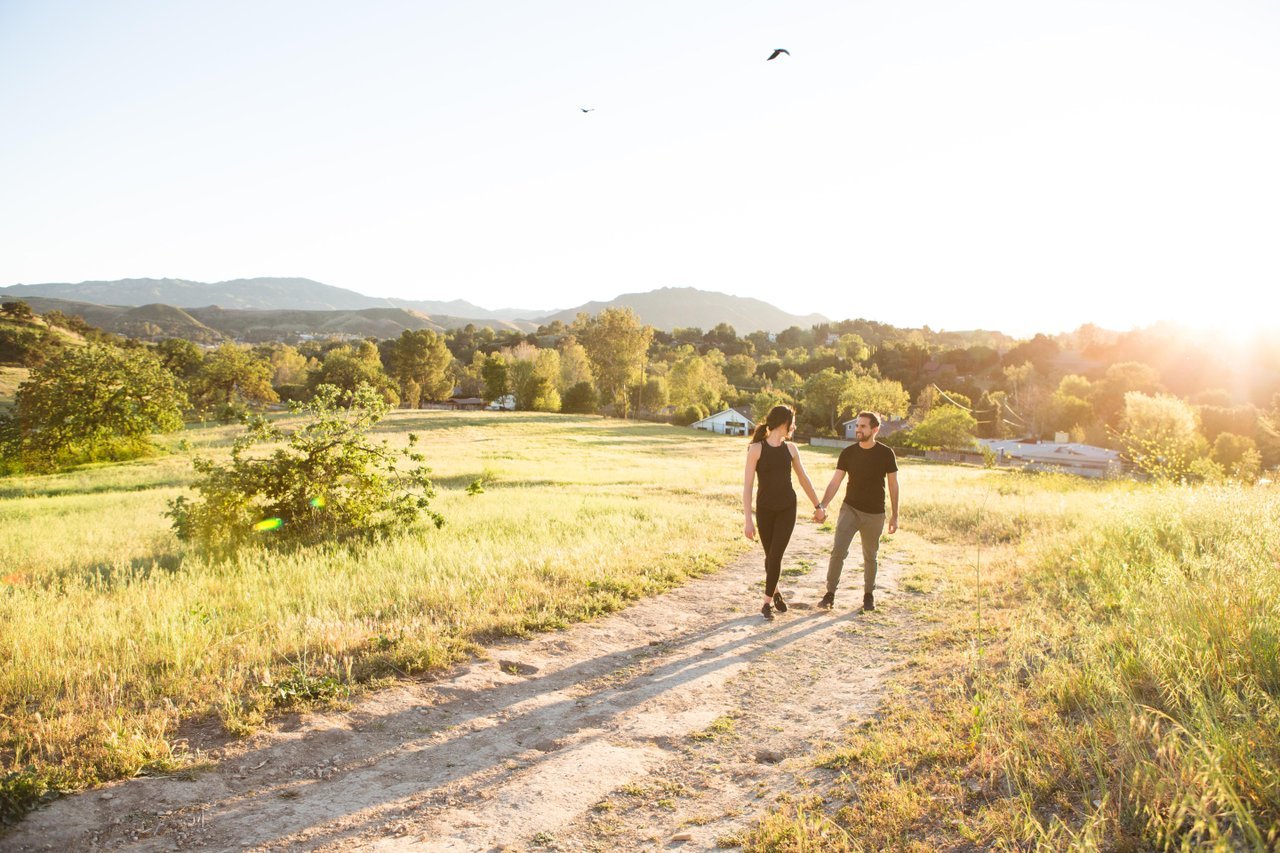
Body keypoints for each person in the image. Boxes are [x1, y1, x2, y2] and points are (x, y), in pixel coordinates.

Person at [743, 405, 824, 620]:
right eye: (793, 422)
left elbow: (803, 479)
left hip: (787, 508)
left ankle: (766, 603)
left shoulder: (791, 449)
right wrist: (747, 520)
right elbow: (748, 487)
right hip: (765, 509)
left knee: (776, 554)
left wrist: (818, 506)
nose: (794, 426)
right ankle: (776, 592)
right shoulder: (756, 449)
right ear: (784, 423)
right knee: (770, 557)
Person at [815, 411, 899, 612]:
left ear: (875, 429)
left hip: (875, 514)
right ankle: (830, 594)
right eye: (857, 426)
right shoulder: (848, 453)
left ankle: (868, 595)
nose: (858, 429)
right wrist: (822, 505)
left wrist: (895, 515)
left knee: (870, 556)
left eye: (863, 426)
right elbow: (836, 481)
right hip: (850, 510)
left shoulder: (886, 454)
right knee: (838, 552)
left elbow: (894, 485)